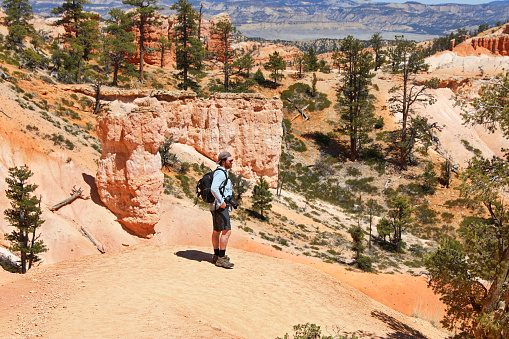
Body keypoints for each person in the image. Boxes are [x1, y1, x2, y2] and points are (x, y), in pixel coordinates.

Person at [211, 151, 235, 268]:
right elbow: (214, 188)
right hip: (220, 207)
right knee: (227, 231)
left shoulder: (220, 172)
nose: (232, 163)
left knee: (217, 231)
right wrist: (222, 202)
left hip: (216, 206)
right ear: (223, 161)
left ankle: (216, 256)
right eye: (230, 161)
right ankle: (221, 258)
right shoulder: (221, 173)